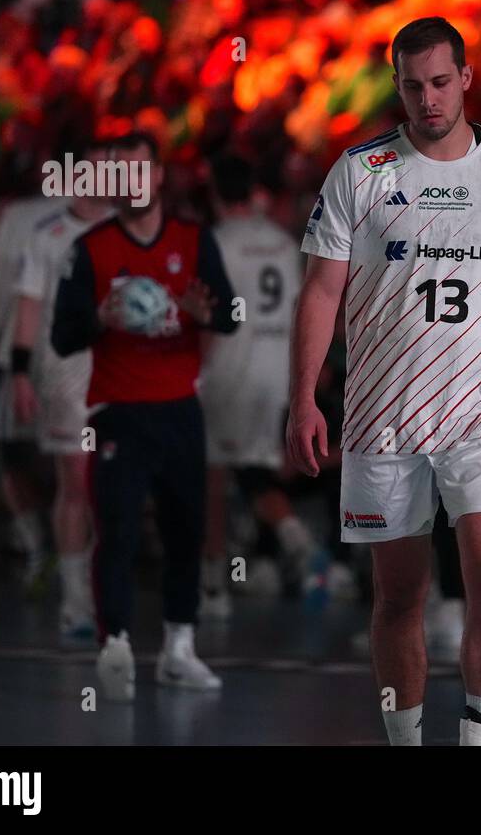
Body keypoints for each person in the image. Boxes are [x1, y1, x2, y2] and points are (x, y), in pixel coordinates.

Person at [287, 16, 481, 746]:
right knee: (398, 597)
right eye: (413, 86)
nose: (429, 99)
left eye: (441, 82)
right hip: (383, 418)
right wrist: (302, 399)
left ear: (467, 78)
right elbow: (321, 292)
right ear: (397, 86)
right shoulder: (361, 172)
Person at [51, 131, 240, 702]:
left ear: (160, 177)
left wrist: (208, 313)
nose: (133, 183)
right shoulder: (88, 250)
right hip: (118, 413)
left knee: (186, 531)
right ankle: (116, 646)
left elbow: (230, 313)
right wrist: (101, 320)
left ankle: (179, 649)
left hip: (180, 409)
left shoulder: (194, 238)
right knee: (120, 531)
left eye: (141, 171)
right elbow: (63, 337)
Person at [196, 154, 316, 620]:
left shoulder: (216, 242)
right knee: (254, 469)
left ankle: (214, 585)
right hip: (277, 368)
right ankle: (289, 547)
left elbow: (209, 316)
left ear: (215, 196)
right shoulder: (282, 244)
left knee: (215, 474)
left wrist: (194, 371)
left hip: (230, 369)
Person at [11, 139, 115, 638]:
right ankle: (76, 603)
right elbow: (28, 306)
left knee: (111, 486)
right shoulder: (47, 235)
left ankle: (99, 592)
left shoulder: (125, 228)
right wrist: (18, 372)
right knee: (76, 479)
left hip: (120, 372)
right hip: (64, 370)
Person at [0, 188, 65, 592]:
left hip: (26, 354)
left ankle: (39, 550)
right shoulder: (110, 215)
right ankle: (72, 558)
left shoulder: (19, 216)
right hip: (77, 361)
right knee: (74, 462)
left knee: (13, 455)